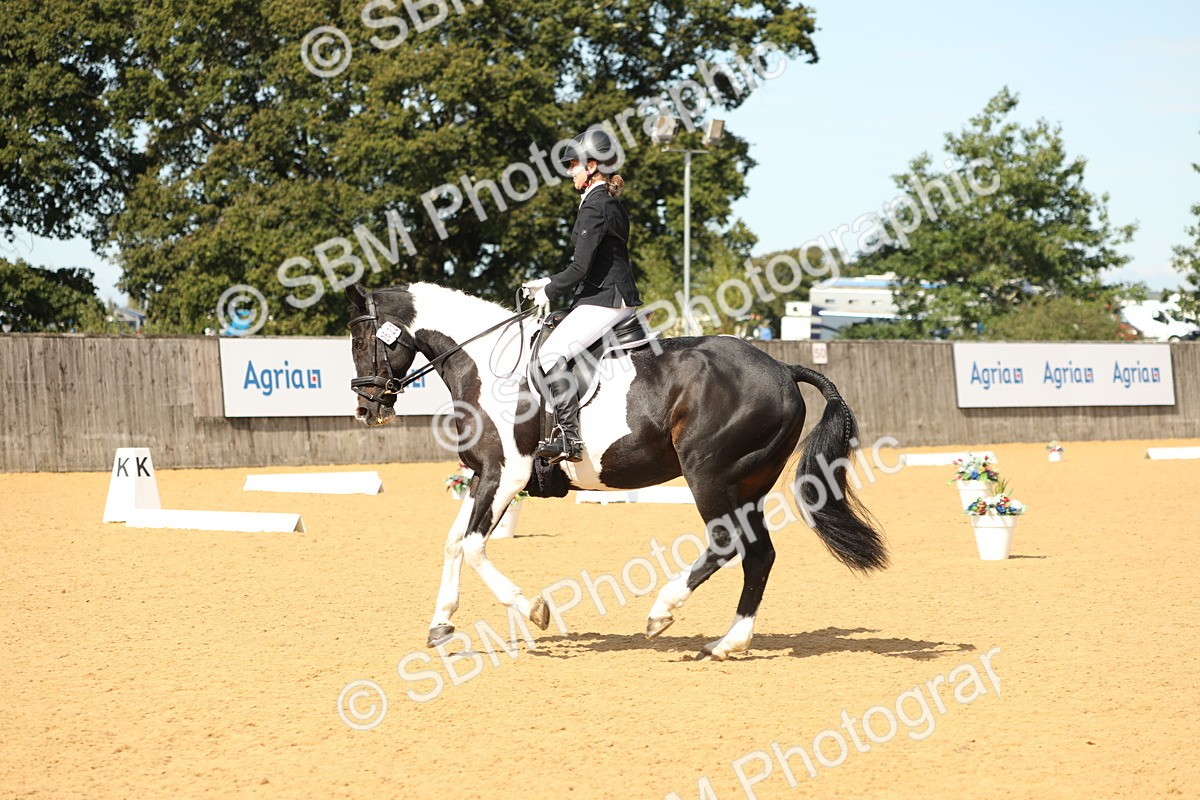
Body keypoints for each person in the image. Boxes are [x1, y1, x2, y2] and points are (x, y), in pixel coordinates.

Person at [522, 128, 643, 464]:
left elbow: (580, 267)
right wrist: (548, 281)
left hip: (607, 299)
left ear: (591, 167)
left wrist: (549, 289)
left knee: (550, 355)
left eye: (573, 165)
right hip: (604, 295)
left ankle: (569, 438)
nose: (569, 172)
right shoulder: (605, 201)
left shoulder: (596, 206)